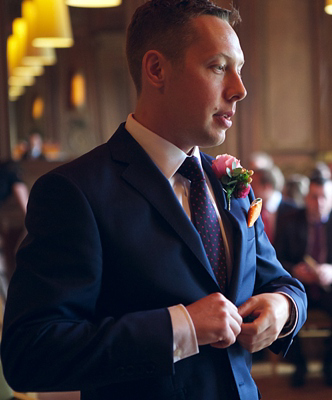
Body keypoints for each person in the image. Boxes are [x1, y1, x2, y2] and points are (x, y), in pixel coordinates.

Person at [1, 2, 307, 400]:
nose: (239, 88)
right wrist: (181, 328)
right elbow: (30, 353)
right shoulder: (75, 192)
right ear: (157, 69)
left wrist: (284, 308)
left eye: (240, 69)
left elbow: (280, 281)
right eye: (218, 66)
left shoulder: (230, 181)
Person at [275, 176, 332, 388]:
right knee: (282, 310)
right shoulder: (289, 219)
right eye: (314, 197)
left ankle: (329, 361)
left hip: (330, 287)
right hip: (298, 286)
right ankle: (299, 364)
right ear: (306, 197)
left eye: (324, 197)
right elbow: (274, 257)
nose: (319, 202)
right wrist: (294, 270)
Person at [252, 166, 297, 243]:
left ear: (267, 186)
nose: (251, 188)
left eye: (254, 184)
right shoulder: (253, 208)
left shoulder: (293, 210)